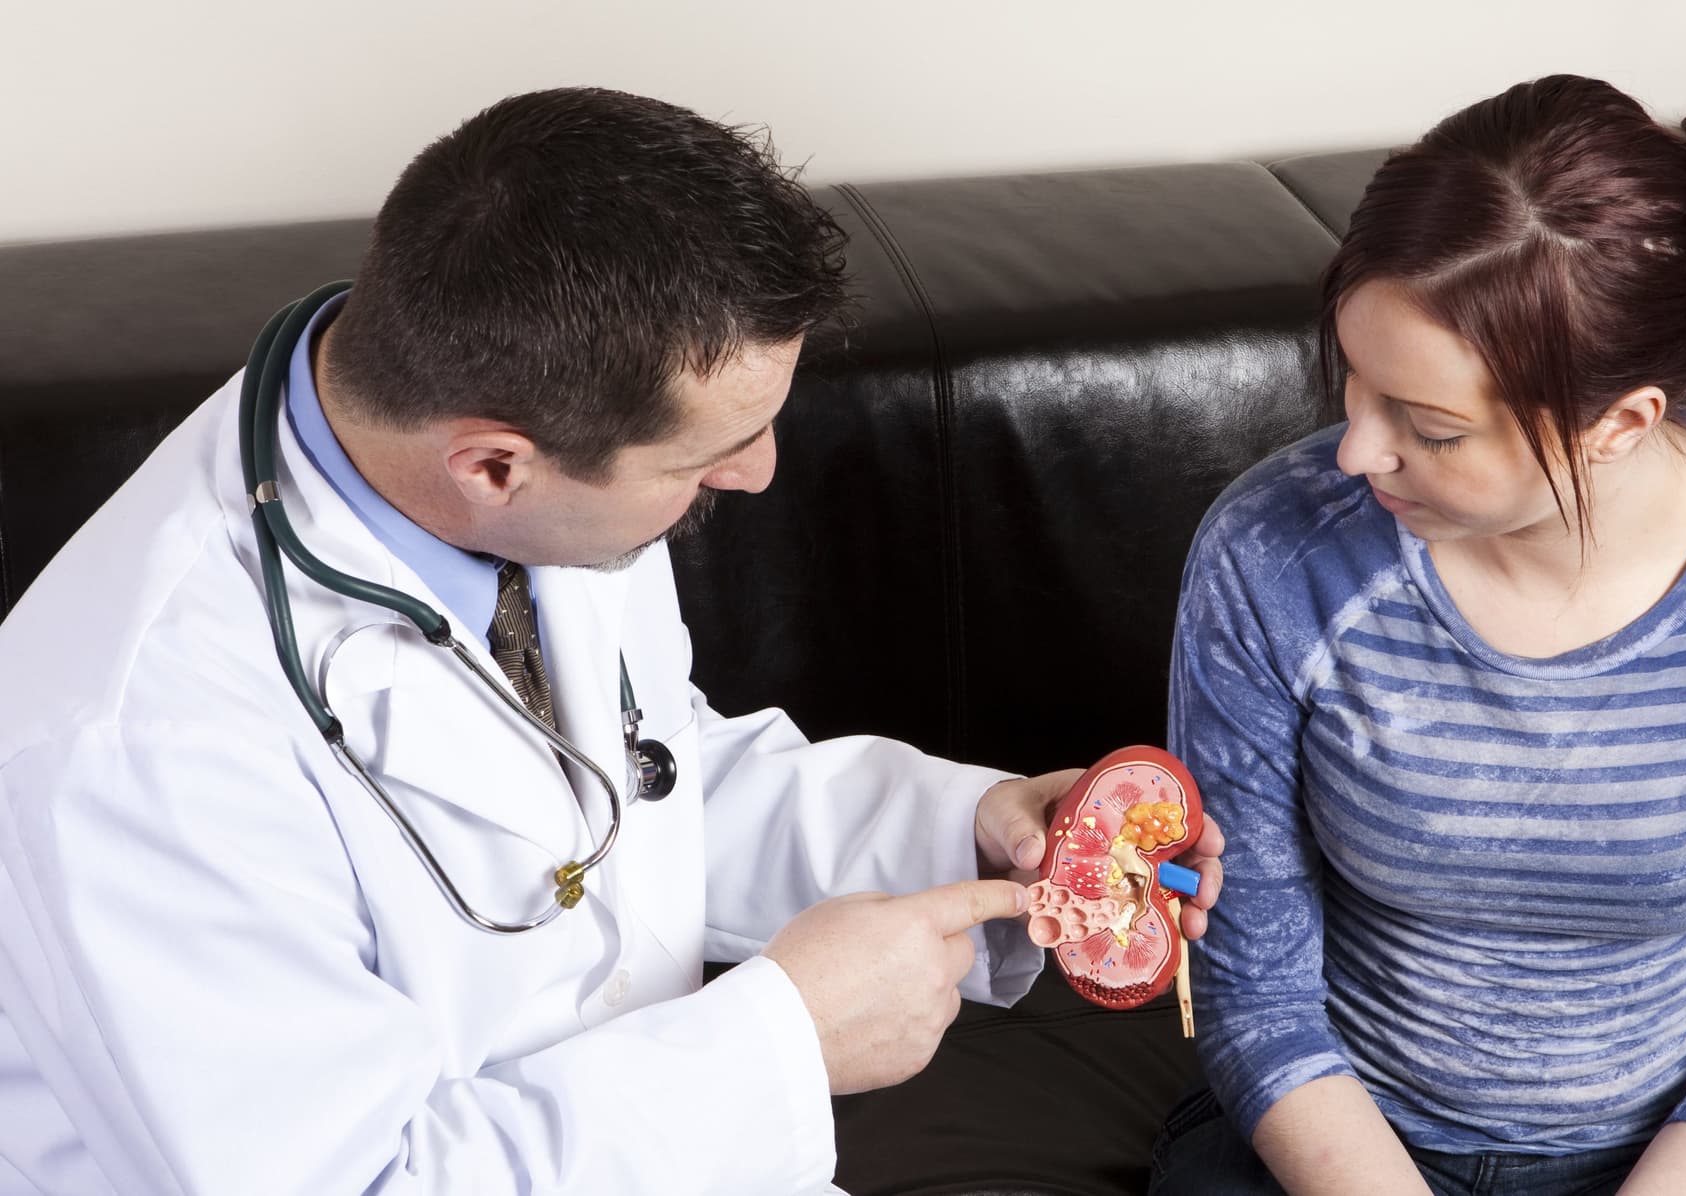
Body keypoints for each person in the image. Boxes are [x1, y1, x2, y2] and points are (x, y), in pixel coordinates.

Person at [0, 87, 1222, 1194]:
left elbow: (640, 778)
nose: (757, 473)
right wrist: (783, 1042)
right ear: (493, 463)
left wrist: (971, 831)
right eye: (709, 454)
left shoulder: (517, 475)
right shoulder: (137, 749)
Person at [1155, 75, 1686, 1196]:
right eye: (1354, 381)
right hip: (1333, 1142)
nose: (1354, 451)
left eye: (1430, 429)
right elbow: (1255, 997)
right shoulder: (1270, 553)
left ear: (1618, 423)